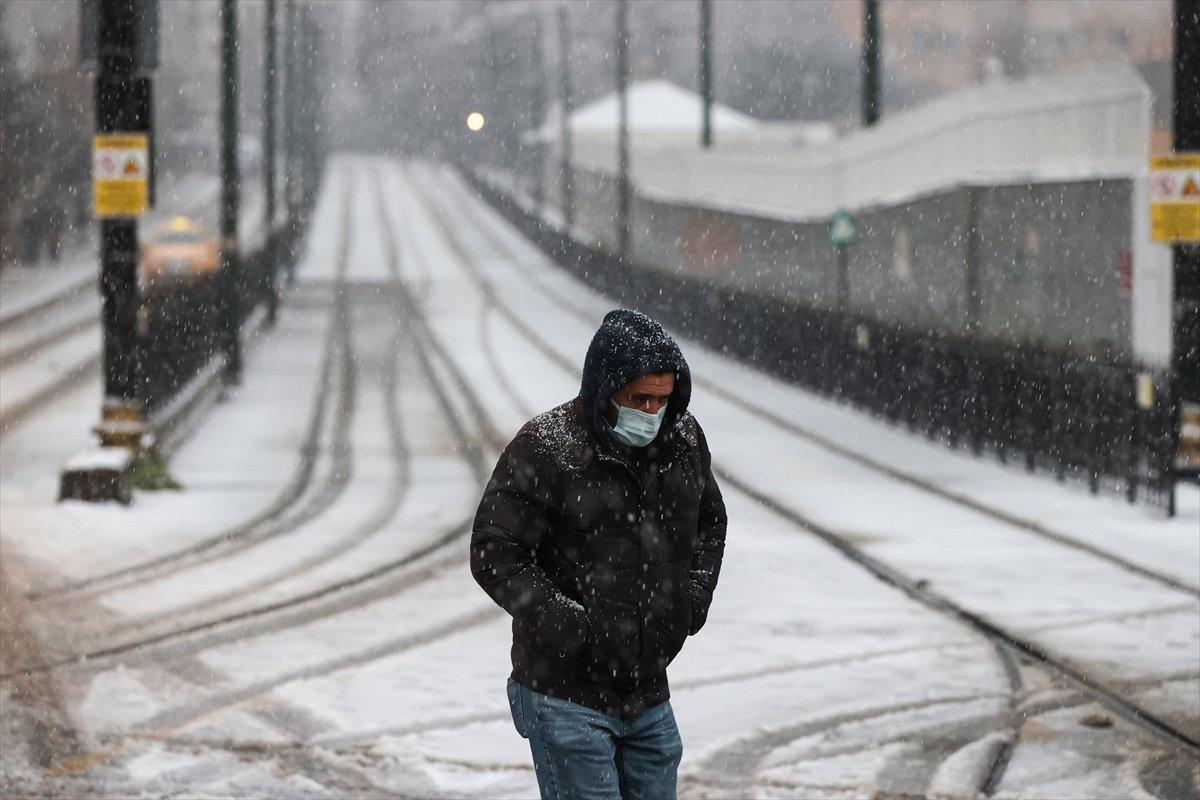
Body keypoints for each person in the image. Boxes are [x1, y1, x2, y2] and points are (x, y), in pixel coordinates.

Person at [472, 308, 727, 800]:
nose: (651, 414)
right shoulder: (549, 448)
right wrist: (573, 627)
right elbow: (494, 550)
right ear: (604, 388)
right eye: (638, 399)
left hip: (648, 690)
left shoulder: (684, 442)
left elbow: (710, 523)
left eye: (662, 399)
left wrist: (688, 602)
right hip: (564, 692)